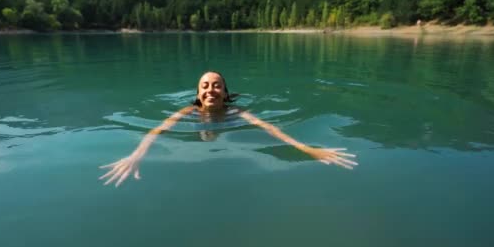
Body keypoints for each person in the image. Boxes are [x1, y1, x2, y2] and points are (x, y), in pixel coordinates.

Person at [99, 71, 357, 186]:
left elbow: (270, 130)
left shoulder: (237, 112)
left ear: (224, 92)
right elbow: (156, 131)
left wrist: (308, 149)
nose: (210, 89)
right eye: (205, 85)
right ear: (198, 94)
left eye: (216, 85)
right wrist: (136, 155)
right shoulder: (188, 112)